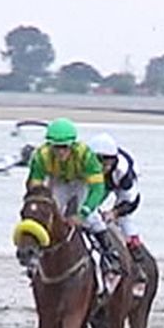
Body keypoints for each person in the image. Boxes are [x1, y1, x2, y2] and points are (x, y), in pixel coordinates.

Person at [26, 117, 123, 274]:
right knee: (47, 214)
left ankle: (111, 254)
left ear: (72, 145)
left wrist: (83, 212)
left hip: (81, 180)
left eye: (64, 147)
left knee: (91, 218)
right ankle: (35, 256)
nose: (60, 152)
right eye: (55, 147)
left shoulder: (86, 156)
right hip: (58, 180)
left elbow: (97, 189)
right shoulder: (41, 156)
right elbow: (34, 186)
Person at [88, 132, 148, 282]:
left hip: (119, 187)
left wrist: (114, 213)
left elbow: (132, 201)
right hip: (96, 185)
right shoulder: (85, 165)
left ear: (113, 161)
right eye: (99, 163)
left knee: (124, 221)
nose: (103, 168)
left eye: (107, 164)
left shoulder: (122, 171)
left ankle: (138, 259)